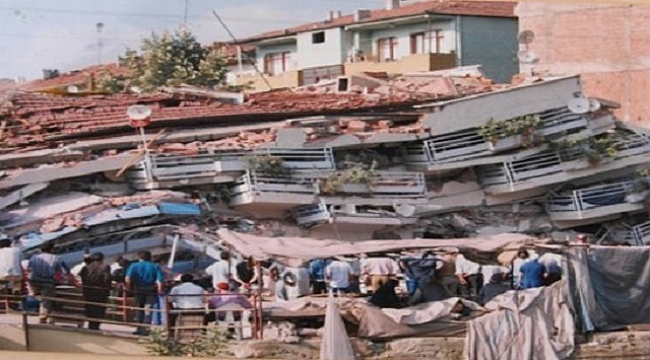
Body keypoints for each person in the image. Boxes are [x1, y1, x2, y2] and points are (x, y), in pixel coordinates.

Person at [27, 242, 71, 324]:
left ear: (40, 250)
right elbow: (64, 271)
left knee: (38, 297)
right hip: (47, 282)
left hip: (33, 282)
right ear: (52, 249)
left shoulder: (33, 257)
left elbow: (29, 269)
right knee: (47, 300)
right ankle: (43, 317)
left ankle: (39, 304)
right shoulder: (56, 258)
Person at [125, 250, 165, 336]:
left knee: (139, 309)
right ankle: (145, 329)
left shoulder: (134, 266)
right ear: (150, 257)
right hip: (151, 291)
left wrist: (128, 288)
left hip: (138, 290)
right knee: (148, 310)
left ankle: (139, 328)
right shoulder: (155, 266)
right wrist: (160, 291)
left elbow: (128, 278)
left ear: (139, 257)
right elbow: (159, 281)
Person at [79, 252, 112, 330]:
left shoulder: (86, 267)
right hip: (101, 292)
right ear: (102, 259)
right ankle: (96, 326)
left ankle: (91, 324)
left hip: (89, 292)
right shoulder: (105, 267)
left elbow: (83, 279)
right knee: (99, 310)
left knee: (90, 308)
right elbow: (107, 279)